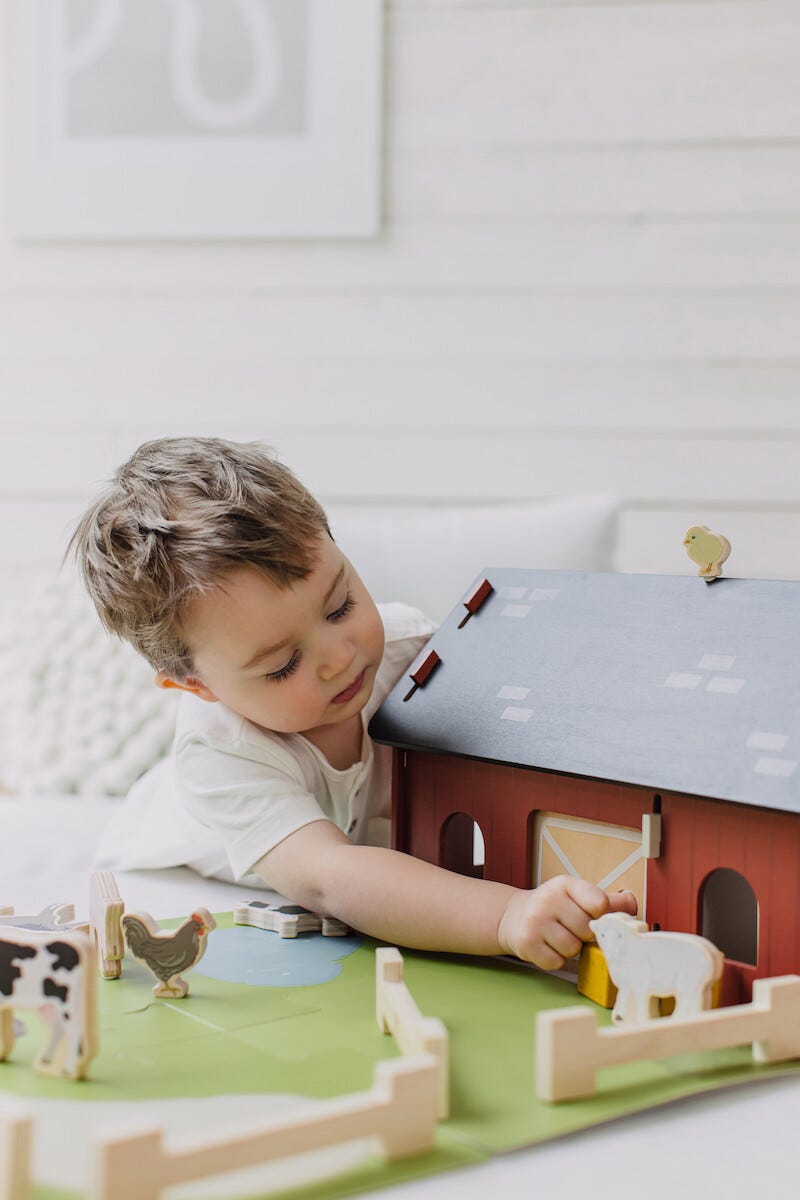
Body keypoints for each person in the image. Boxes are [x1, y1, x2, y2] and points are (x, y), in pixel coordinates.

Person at [70, 436, 637, 968]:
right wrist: (505, 915)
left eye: (339, 606)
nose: (339, 658)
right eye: (282, 665)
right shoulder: (219, 751)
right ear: (199, 687)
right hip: (186, 874)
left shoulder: (416, 654)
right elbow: (331, 879)